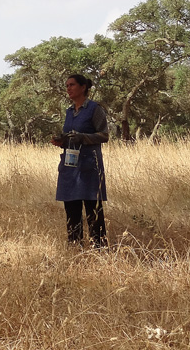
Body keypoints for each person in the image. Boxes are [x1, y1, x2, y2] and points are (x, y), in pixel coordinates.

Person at [51, 74, 109, 249]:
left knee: (93, 208)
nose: (68, 88)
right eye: (67, 85)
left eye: (72, 85)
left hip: (89, 167)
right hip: (70, 167)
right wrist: (61, 141)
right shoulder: (69, 112)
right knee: (71, 208)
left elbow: (104, 135)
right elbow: (70, 136)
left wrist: (83, 137)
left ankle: (99, 247)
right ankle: (75, 246)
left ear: (83, 87)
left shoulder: (94, 109)